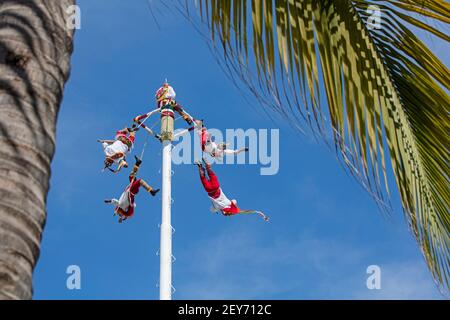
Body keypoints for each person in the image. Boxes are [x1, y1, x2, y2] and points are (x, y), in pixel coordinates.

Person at [196, 159, 269, 221]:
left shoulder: (229, 203)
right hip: (209, 190)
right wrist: (260, 213)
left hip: (216, 187)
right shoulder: (218, 207)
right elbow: (213, 209)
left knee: (211, 174)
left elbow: (245, 211)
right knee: (203, 178)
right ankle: (199, 165)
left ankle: (207, 165)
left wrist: (260, 213)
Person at [104, 156, 160, 223]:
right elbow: (129, 213)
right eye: (119, 212)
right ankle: (151, 191)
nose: (118, 211)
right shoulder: (124, 209)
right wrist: (122, 217)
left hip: (129, 188)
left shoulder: (119, 205)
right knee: (140, 181)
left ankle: (138, 163)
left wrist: (109, 201)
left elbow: (115, 201)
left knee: (131, 176)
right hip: (131, 192)